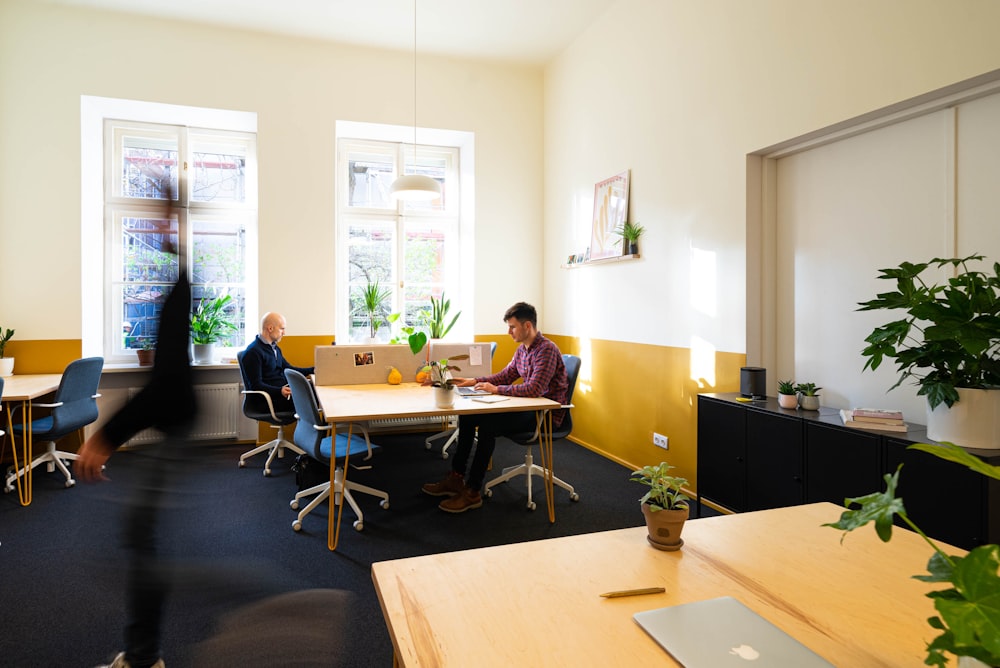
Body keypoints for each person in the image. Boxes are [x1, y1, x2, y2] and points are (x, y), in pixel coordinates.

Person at [76, 242, 198, 668]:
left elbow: (164, 382)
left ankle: (145, 658)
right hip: (175, 426)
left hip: (175, 425)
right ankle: (144, 654)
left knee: (143, 540)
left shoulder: (178, 290)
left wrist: (106, 436)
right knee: (142, 536)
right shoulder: (176, 288)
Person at [421, 301, 568, 513]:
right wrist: (475, 381)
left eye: (512, 326)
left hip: (543, 415)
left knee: (488, 425)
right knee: (468, 417)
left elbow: (535, 389)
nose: (509, 332)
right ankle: (456, 478)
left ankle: (472, 492)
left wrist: (496, 390)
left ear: (527, 326)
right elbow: (506, 375)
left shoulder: (547, 350)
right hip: (527, 407)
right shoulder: (522, 350)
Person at [241, 312, 314, 404]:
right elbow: (256, 385)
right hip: (269, 399)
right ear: (270, 328)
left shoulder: (274, 348)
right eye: (282, 329)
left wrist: (313, 370)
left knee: (314, 389)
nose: (284, 333)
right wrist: (280, 391)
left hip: (281, 392)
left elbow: (288, 369)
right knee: (312, 399)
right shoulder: (253, 352)